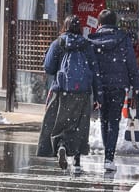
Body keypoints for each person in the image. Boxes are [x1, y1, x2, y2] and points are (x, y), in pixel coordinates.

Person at [37, 15, 101, 174]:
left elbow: (49, 67)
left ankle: (61, 146)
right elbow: (95, 71)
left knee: (59, 123)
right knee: (79, 125)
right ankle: (77, 159)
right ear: (79, 28)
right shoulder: (87, 45)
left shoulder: (58, 43)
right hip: (83, 91)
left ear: (64, 27)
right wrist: (98, 95)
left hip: (62, 89)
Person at [88, 9, 139, 171]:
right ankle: (109, 158)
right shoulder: (123, 39)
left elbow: (90, 65)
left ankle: (107, 154)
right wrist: (135, 87)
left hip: (100, 86)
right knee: (114, 120)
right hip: (118, 85)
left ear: (100, 23)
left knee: (103, 119)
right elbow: (131, 63)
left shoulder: (92, 40)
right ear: (115, 23)